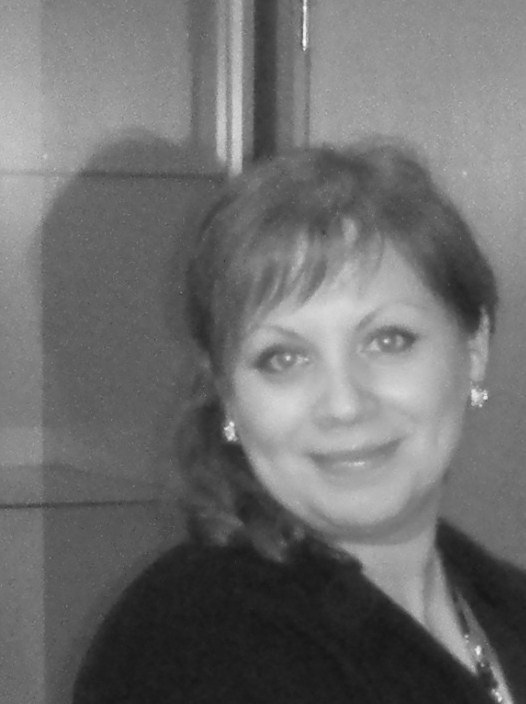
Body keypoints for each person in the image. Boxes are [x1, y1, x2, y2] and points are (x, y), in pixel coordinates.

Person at [73, 139, 526, 704]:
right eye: (284, 359)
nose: (344, 404)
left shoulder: (501, 603)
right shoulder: (200, 646)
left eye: (388, 340)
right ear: (226, 394)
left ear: (474, 348)